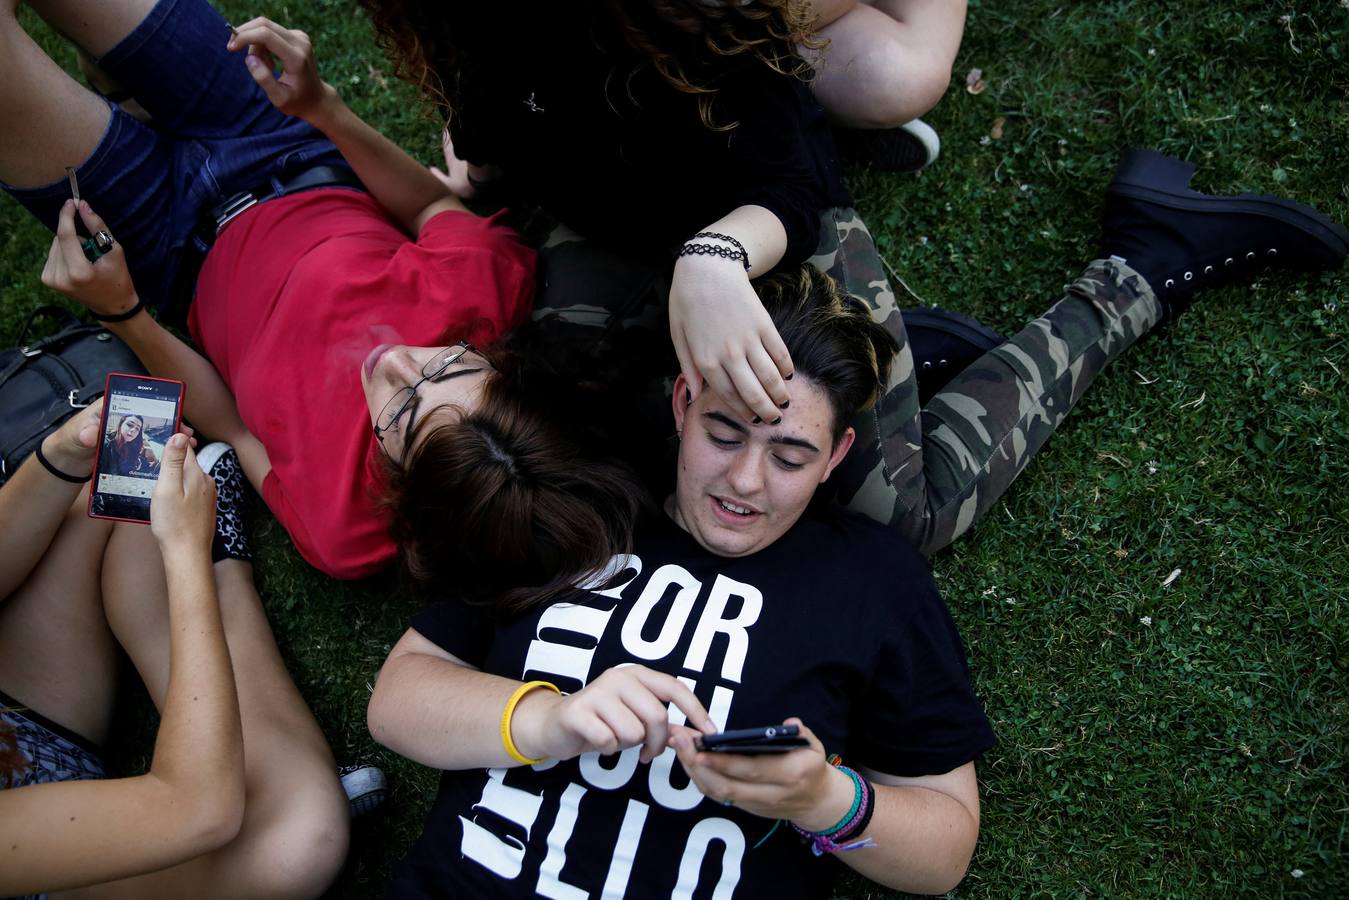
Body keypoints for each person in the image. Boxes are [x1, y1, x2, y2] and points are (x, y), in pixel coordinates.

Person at [368, 266, 995, 898]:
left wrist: (827, 800)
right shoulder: (581, 507)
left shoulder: (875, 581)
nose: (745, 481)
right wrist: (550, 720)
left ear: (835, 455)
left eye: (789, 458)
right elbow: (397, 701)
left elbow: (943, 851)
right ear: (682, 404)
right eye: (723, 435)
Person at [1, 0, 640, 588]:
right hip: (274, 137)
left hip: (160, 245)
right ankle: (121, 89)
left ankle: (119, 95)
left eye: (402, 415)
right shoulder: (491, 298)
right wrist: (323, 108)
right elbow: (430, 205)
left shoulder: (343, 533)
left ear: (404, 497)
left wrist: (123, 312)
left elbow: (234, 428)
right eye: (448, 364)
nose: (396, 361)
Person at [0, 405, 345, 898]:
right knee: (293, 839)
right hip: (37, 863)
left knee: (124, 486)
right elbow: (196, 807)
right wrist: (188, 553)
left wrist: (60, 456)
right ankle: (226, 570)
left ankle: (261, 742)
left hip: (17, 723)